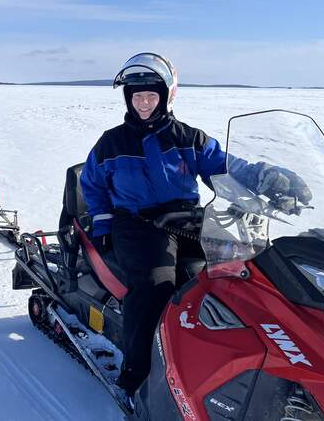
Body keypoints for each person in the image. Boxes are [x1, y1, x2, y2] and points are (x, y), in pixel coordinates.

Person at [79, 52, 311, 403]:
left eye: (151, 95)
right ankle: (137, 378)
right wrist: (102, 221)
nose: (143, 103)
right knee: (156, 286)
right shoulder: (111, 143)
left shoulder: (188, 138)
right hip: (137, 223)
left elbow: (227, 166)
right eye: (137, 96)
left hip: (186, 220)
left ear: (166, 96)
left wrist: (267, 177)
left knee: (227, 279)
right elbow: (93, 185)